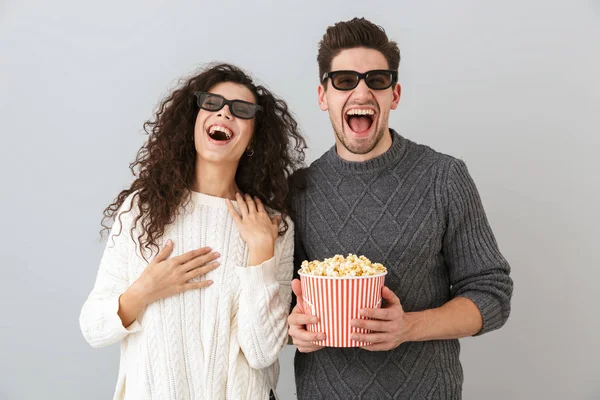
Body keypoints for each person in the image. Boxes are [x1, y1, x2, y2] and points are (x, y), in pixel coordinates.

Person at [287, 18, 513, 399]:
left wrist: (409, 326)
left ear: (395, 94)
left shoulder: (444, 177)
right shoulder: (299, 189)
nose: (361, 92)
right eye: (344, 80)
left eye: (376, 80)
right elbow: (280, 304)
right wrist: (291, 325)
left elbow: (492, 294)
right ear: (324, 95)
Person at [80, 63, 306, 400]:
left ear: (255, 137)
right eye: (212, 103)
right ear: (193, 121)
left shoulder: (272, 225)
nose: (225, 114)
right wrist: (145, 290)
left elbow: (262, 353)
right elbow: (94, 327)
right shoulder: (142, 210)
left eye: (241, 110)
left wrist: (261, 251)